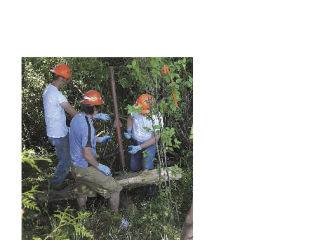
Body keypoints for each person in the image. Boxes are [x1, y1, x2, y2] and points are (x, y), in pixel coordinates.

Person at [69, 90, 128, 227]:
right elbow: (87, 154)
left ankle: (82, 219)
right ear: (95, 108)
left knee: (82, 190)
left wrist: (99, 139)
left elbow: (82, 138)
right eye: (98, 107)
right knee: (115, 189)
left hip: (74, 166)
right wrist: (99, 166)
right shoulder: (87, 126)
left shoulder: (76, 118)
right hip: (85, 167)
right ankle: (116, 220)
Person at [43, 64, 78, 190]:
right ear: (62, 78)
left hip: (55, 131)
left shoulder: (48, 89)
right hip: (58, 134)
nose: (67, 82)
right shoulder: (58, 95)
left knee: (67, 154)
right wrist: (85, 118)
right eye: (67, 80)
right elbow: (71, 111)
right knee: (65, 160)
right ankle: (55, 185)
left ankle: (66, 172)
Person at [124, 94, 163, 195]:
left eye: (145, 112)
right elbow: (130, 119)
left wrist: (140, 147)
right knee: (134, 166)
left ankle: (150, 188)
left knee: (147, 166)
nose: (143, 114)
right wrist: (128, 130)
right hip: (134, 141)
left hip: (149, 143)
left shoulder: (157, 117)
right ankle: (135, 187)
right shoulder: (136, 107)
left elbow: (156, 137)